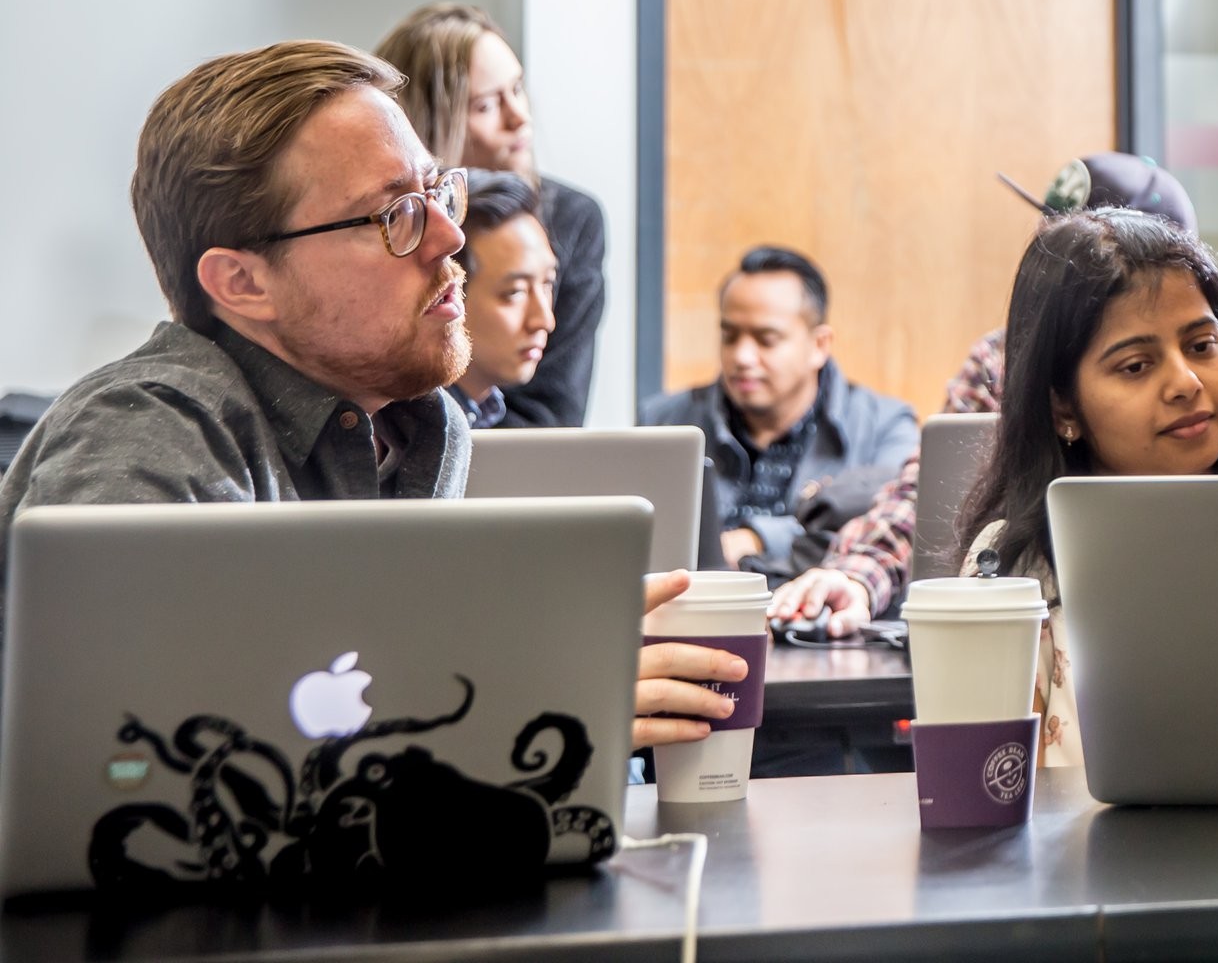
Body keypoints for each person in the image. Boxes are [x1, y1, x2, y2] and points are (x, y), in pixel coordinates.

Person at [0, 40, 722, 752]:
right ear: (242, 283)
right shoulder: (145, 428)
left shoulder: (424, 429)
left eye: (440, 193)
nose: (449, 237)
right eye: (394, 216)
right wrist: (528, 704)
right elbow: (134, 753)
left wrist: (543, 672)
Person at [768, 154, 1218, 636]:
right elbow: (927, 496)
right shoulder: (998, 365)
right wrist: (858, 576)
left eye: (1201, 345)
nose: (1186, 384)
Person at [957, 208, 1218, 764]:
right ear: (1062, 407)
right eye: (1135, 366)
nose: (1187, 383)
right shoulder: (1014, 570)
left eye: (1202, 346)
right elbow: (986, 787)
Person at [376, 4, 606, 427]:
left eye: (517, 89)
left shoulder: (572, 219)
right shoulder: (386, 228)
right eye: (485, 106)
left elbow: (554, 417)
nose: (520, 118)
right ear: (427, 126)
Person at [642, 246, 919, 587]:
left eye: (766, 340)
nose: (742, 356)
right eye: (729, 336)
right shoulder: (664, 422)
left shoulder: (885, 428)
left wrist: (755, 537)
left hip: (829, 626)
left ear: (819, 345)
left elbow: (890, 531)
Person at [446, 169, 554, 429]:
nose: (545, 321)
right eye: (514, 292)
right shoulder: (399, 438)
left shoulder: (483, 415)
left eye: (548, 283)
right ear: (447, 294)